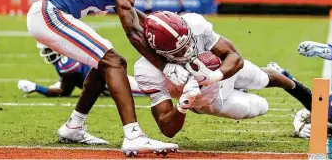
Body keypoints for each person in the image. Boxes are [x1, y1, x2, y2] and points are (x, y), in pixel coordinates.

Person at [26, 0, 184, 156]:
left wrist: (154, 25)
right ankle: (133, 135)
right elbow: (131, 29)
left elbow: (132, 14)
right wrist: (164, 64)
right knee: (114, 62)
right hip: (51, 14)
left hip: (47, 11)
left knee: (103, 65)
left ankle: (74, 126)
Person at [134, 11, 313, 138]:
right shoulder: (147, 71)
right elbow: (167, 129)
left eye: (188, 42)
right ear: (161, 53)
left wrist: (215, 75)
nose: (189, 49)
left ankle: (301, 91)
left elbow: (235, 57)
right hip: (209, 101)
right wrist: (184, 103)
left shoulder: (195, 24)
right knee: (260, 106)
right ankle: (244, 91)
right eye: (180, 50)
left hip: (221, 69)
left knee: (262, 77)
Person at [17, 42, 143, 97]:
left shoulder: (66, 63)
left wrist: (36, 88)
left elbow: (64, 91)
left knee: (151, 89)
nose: (45, 52)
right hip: (109, 81)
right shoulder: (67, 55)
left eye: (47, 49)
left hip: (115, 84)